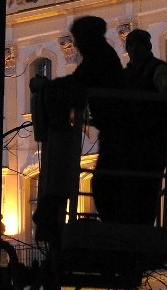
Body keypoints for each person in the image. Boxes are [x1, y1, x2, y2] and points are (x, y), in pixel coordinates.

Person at [31, 16, 125, 239]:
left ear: (88, 37)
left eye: (79, 39)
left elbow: (78, 82)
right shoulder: (100, 54)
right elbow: (78, 80)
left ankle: (110, 227)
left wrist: (49, 88)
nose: (77, 44)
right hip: (113, 126)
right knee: (103, 180)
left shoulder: (99, 56)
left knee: (104, 182)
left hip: (116, 127)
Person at [123, 29, 167, 225]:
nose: (133, 49)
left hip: (150, 143)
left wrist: (152, 118)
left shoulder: (159, 70)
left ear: (146, 47)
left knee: (146, 192)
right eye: (130, 45)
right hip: (129, 144)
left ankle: (144, 225)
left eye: (137, 45)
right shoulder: (125, 75)